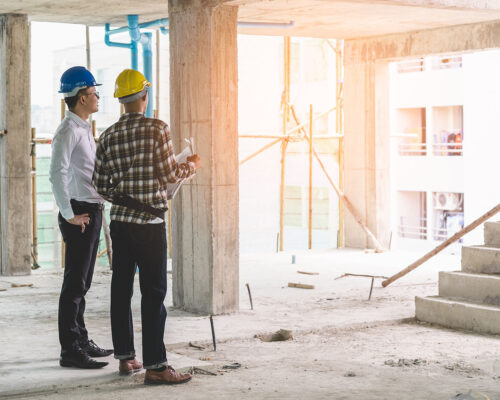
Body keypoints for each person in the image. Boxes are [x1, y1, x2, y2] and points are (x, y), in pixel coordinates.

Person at [93, 69, 201, 383]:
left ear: (121, 101)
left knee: (120, 290)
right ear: (145, 97)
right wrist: (192, 165)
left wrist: (123, 197)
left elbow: (100, 184)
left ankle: (126, 359)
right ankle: (156, 366)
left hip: (121, 225)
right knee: (153, 293)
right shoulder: (157, 129)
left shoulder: (108, 136)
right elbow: (170, 174)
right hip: (150, 225)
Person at [50, 66, 113, 369]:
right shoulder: (67, 131)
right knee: (75, 283)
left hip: (91, 210)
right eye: (93, 92)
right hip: (80, 213)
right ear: (82, 97)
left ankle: (80, 339)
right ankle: (70, 351)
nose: (98, 96)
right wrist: (69, 214)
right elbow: (56, 174)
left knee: (83, 282)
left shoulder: (83, 128)